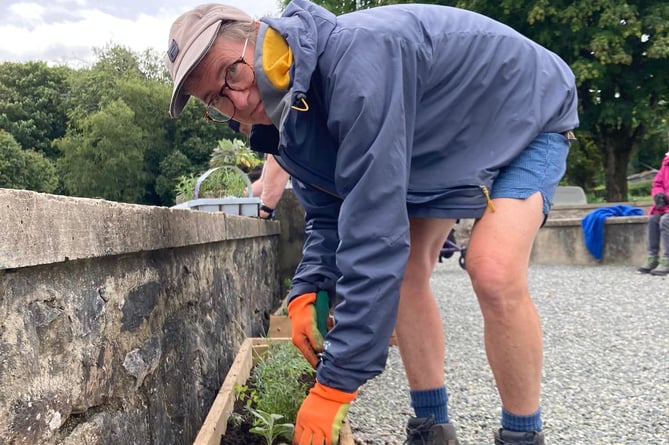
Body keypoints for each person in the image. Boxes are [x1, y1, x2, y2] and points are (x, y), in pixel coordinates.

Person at [164, 2, 579, 444]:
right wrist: (308, 287)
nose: (239, 101)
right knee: (406, 274)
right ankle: (431, 427)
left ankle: (521, 435)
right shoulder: (287, 120)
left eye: (232, 74)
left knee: (492, 269)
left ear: (261, 36)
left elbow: (374, 232)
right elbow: (329, 214)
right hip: (439, 142)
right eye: (216, 99)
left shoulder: (357, 63)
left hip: (523, 111)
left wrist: (335, 385)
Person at [229, 120, 291, 219]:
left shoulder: (278, 136)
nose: (249, 136)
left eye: (246, 129)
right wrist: (237, 200)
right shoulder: (270, 144)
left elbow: (268, 200)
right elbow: (263, 182)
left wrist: (263, 209)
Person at [637, 153, 669, 275]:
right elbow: (657, 183)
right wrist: (658, 195)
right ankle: (653, 257)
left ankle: (667, 258)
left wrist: (666, 197)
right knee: (653, 219)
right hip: (666, 205)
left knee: (666, 220)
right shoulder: (666, 162)